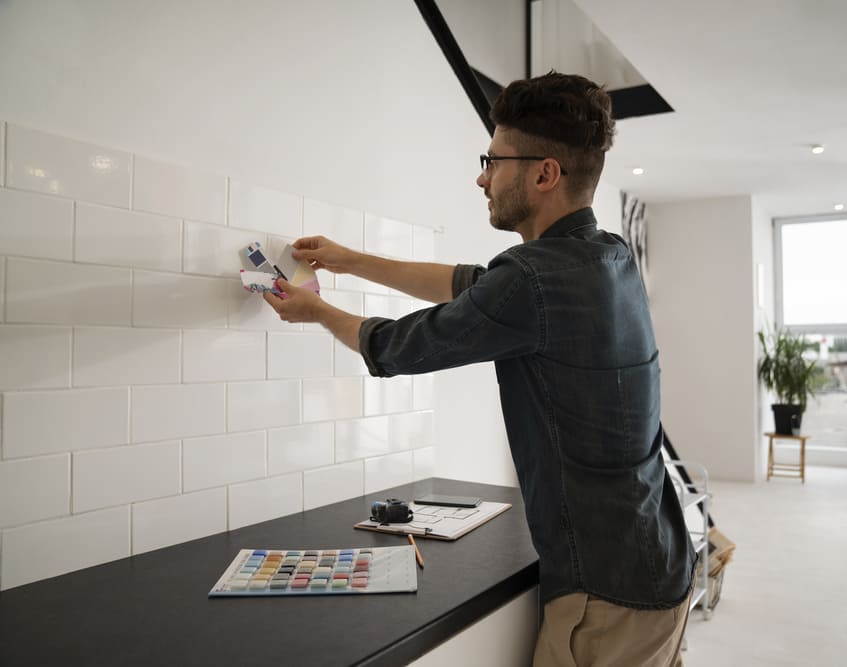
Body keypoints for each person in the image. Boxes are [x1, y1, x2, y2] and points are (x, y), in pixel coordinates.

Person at [264, 71, 696, 666]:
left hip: (607, 593)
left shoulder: (533, 279)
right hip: (659, 561)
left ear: (544, 173)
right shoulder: (608, 254)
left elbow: (394, 347)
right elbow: (472, 284)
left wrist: (314, 310)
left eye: (493, 160)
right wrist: (351, 260)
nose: (481, 176)